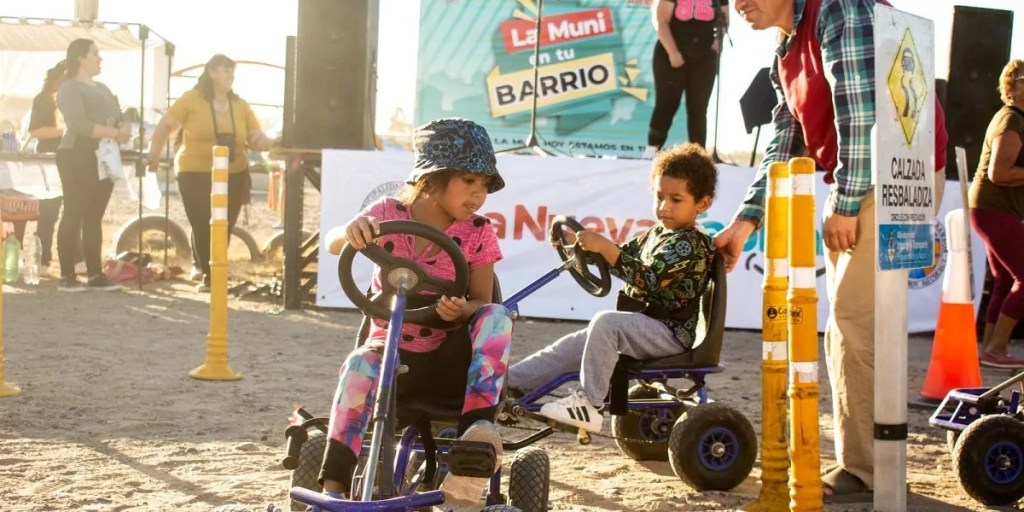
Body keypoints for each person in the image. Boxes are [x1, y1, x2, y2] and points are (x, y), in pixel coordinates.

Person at [716, 0, 948, 500]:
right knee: (855, 325)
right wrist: (745, 221)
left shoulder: (839, 10)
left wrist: (843, 203)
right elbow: (786, 139)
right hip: (869, 178)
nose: (736, 4)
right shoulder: (786, 47)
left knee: (852, 322)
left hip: (888, 174)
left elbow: (866, 118)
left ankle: (867, 472)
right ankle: (868, 463)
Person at [317, 118, 513, 506]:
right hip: (390, 354)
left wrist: (460, 310)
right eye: (469, 181)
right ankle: (331, 492)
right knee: (359, 364)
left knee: (497, 315)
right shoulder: (388, 213)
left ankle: (473, 443)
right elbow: (333, 243)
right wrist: (352, 229)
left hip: (446, 362)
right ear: (433, 178)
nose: (479, 194)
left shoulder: (478, 231)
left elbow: (481, 300)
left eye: (485, 185)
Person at [508, 143, 717, 432]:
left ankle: (589, 404)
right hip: (646, 324)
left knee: (606, 324)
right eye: (659, 197)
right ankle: (509, 383)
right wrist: (579, 248)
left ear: (701, 204)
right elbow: (620, 260)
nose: (664, 207)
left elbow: (648, 279)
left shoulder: (690, 243)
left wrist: (606, 248)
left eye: (675, 199)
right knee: (575, 344)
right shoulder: (657, 234)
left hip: (670, 332)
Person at [146, 54, 275, 291]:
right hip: (195, 171)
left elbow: (255, 137)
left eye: (232, 71)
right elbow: (166, 125)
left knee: (223, 224)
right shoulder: (191, 99)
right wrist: (154, 153)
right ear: (211, 71)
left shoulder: (240, 105)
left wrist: (274, 143)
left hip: (234, 172)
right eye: (225, 70)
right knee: (203, 221)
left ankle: (210, 269)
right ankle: (210, 275)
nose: (230, 75)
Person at [55, 39, 130, 292]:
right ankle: (67, 275)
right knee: (74, 212)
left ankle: (95, 273)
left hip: (105, 154)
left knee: (94, 216)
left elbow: (118, 117)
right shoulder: (69, 87)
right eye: (95, 54)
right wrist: (114, 132)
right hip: (77, 153)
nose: (100, 59)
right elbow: (79, 124)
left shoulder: (104, 88)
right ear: (80, 58)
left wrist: (122, 128)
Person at [969, 59, 1024, 369]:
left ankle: (989, 351)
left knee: (1004, 280)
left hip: (990, 209)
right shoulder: (1012, 119)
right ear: (1010, 87)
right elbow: (999, 173)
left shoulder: (1015, 118)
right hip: (994, 208)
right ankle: (997, 348)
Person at [645, 0, 729, 156]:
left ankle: (698, 157)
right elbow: (661, 21)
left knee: (698, 108)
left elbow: (724, 19)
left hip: (704, 57)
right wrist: (673, 52)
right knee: (667, 104)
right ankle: (651, 152)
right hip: (671, 54)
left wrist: (718, 40)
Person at [5, 61, 66, 268]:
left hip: (69, 157)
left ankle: (75, 259)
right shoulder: (43, 99)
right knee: (49, 212)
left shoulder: (73, 99)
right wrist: (64, 131)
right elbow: (36, 130)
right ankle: (43, 260)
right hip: (49, 159)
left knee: (72, 214)